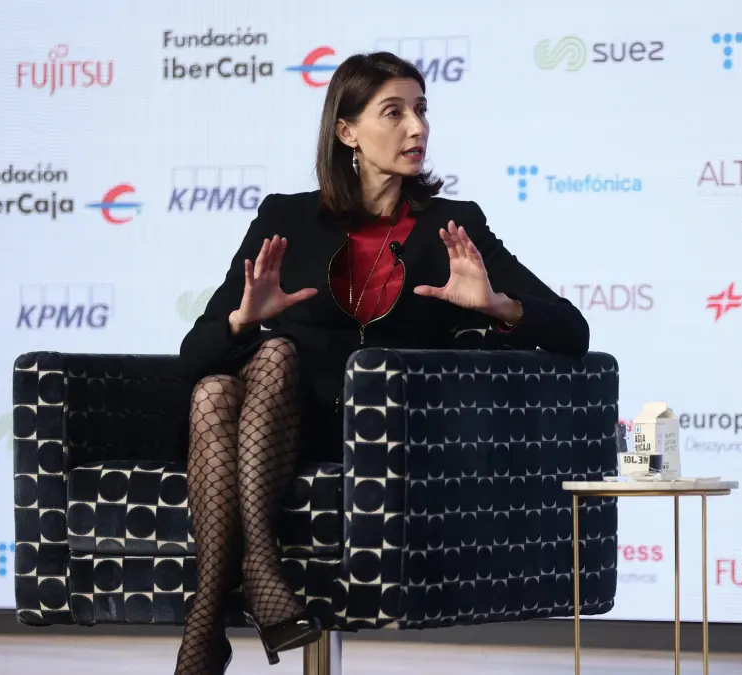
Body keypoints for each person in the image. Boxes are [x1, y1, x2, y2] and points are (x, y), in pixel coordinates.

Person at [171, 51, 590, 674]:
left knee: (252, 369)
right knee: (226, 382)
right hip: (283, 423)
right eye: (393, 112)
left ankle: (212, 614)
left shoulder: (453, 225)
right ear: (347, 131)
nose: (416, 127)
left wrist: (496, 305)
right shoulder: (286, 217)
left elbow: (573, 332)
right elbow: (194, 355)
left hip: (381, 436)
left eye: (421, 110)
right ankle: (251, 577)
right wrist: (243, 320)